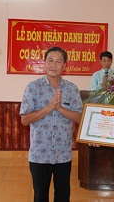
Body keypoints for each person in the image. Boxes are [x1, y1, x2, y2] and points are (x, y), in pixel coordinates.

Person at [20, 47, 83, 202]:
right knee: (40, 196)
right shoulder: (32, 88)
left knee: (63, 196)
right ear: (44, 63)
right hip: (39, 154)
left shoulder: (72, 89)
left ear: (64, 65)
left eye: (58, 61)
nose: (53, 65)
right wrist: (50, 107)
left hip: (63, 154)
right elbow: (25, 119)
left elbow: (79, 118)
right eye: (50, 60)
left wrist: (60, 108)